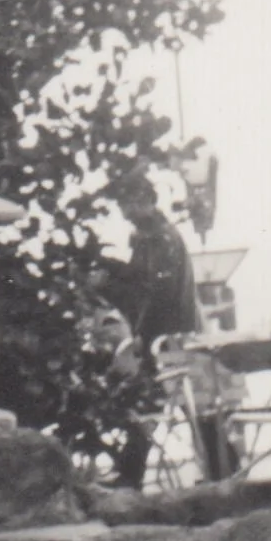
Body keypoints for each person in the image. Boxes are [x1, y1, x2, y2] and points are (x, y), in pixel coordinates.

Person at [96, 174, 213, 487]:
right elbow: (140, 282)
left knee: (185, 404)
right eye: (123, 204)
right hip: (164, 336)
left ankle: (132, 476)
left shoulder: (161, 239)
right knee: (161, 403)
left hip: (171, 336)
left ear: (148, 201)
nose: (126, 211)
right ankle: (131, 474)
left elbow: (155, 292)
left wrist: (139, 333)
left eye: (131, 203)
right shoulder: (151, 239)